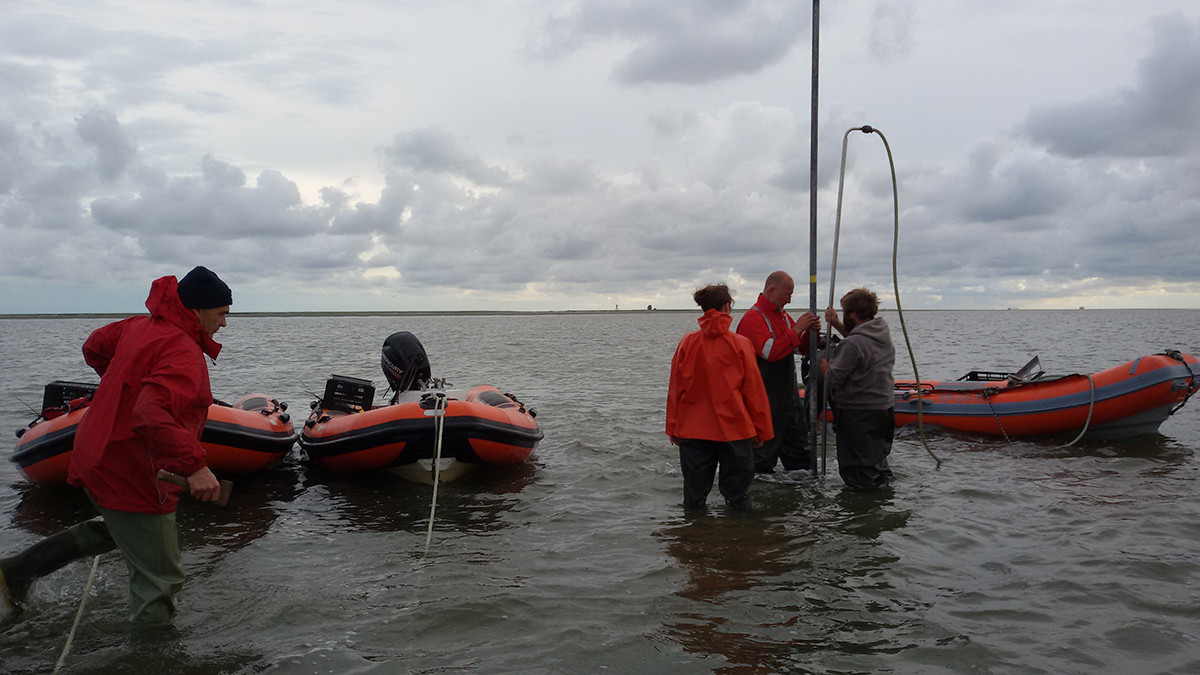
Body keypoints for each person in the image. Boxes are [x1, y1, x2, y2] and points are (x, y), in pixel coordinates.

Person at [0, 266, 230, 626]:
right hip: (130, 467)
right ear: (198, 311)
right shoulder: (183, 351)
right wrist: (195, 467)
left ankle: (16, 571)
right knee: (160, 579)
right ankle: (150, 660)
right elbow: (151, 413)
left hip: (96, 454)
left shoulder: (137, 326)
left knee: (121, 526)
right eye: (222, 314)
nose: (225, 324)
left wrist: (120, 387)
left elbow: (94, 346)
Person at [666, 284, 773, 511]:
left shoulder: (687, 342)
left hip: (693, 430)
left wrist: (673, 427)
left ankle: (693, 540)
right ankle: (737, 540)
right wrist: (762, 430)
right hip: (734, 430)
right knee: (738, 499)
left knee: (694, 499)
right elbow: (754, 392)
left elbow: (676, 388)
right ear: (727, 306)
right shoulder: (741, 344)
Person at [735, 270, 821, 473]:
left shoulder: (782, 317)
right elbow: (771, 352)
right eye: (787, 294)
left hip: (788, 400)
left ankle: (804, 494)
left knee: (801, 456)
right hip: (764, 401)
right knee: (761, 463)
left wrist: (811, 333)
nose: (789, 300)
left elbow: (799, 349)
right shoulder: (752, 319)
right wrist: (798, 329)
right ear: (772, 290)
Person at [821, 287, 896, 491]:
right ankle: (884, 495)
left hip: (859, 413)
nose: (844, 317)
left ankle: (862, 510)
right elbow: (859, 341)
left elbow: (835, 379)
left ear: (853, 314)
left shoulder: (852, 344)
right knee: (876, 462)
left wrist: (826, 369)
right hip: (883, 408)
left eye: (845, 313)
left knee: (857, 470)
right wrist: (836, 324)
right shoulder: (882, 333)